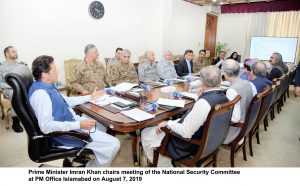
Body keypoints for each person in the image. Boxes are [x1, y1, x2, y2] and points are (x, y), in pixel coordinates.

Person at [28, 55, 120, 167]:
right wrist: (79, 124)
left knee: (101, 125)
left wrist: (91, 97)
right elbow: (46, 126)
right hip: (65, 135)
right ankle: (92, 167)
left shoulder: (45, 86)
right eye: (55, 69)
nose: (59, 71)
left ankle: (94, 152)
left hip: (71, 122)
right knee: (114, 144)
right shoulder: (41, 94)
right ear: (45, 74)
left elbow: (66, 101)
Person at [141, 66, 229, 166]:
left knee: (146, 133)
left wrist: (167, 123)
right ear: (220, 80)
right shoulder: (223, 97)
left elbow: (186, 132)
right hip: (212, 141)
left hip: (189, 145)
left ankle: (165, 166)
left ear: (202, 81)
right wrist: (200, 97)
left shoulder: (204, 103)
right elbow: (199, 115)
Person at [0, 46, 29, 133]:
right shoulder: (1, 67)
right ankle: (16, 122)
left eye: (16, 51)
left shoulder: (21, 64)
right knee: (15, 93)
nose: (16, 53)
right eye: (13, 51)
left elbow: (28, 77)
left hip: (23, 87)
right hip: (9, 90)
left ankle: (32, 117)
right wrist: (12, 86)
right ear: (7, 54)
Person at [222, 59, 253, 124]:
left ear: (225, 73)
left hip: (238, 125)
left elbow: (234, 119)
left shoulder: (231, 90)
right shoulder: (247, 82)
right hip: (249, 119)